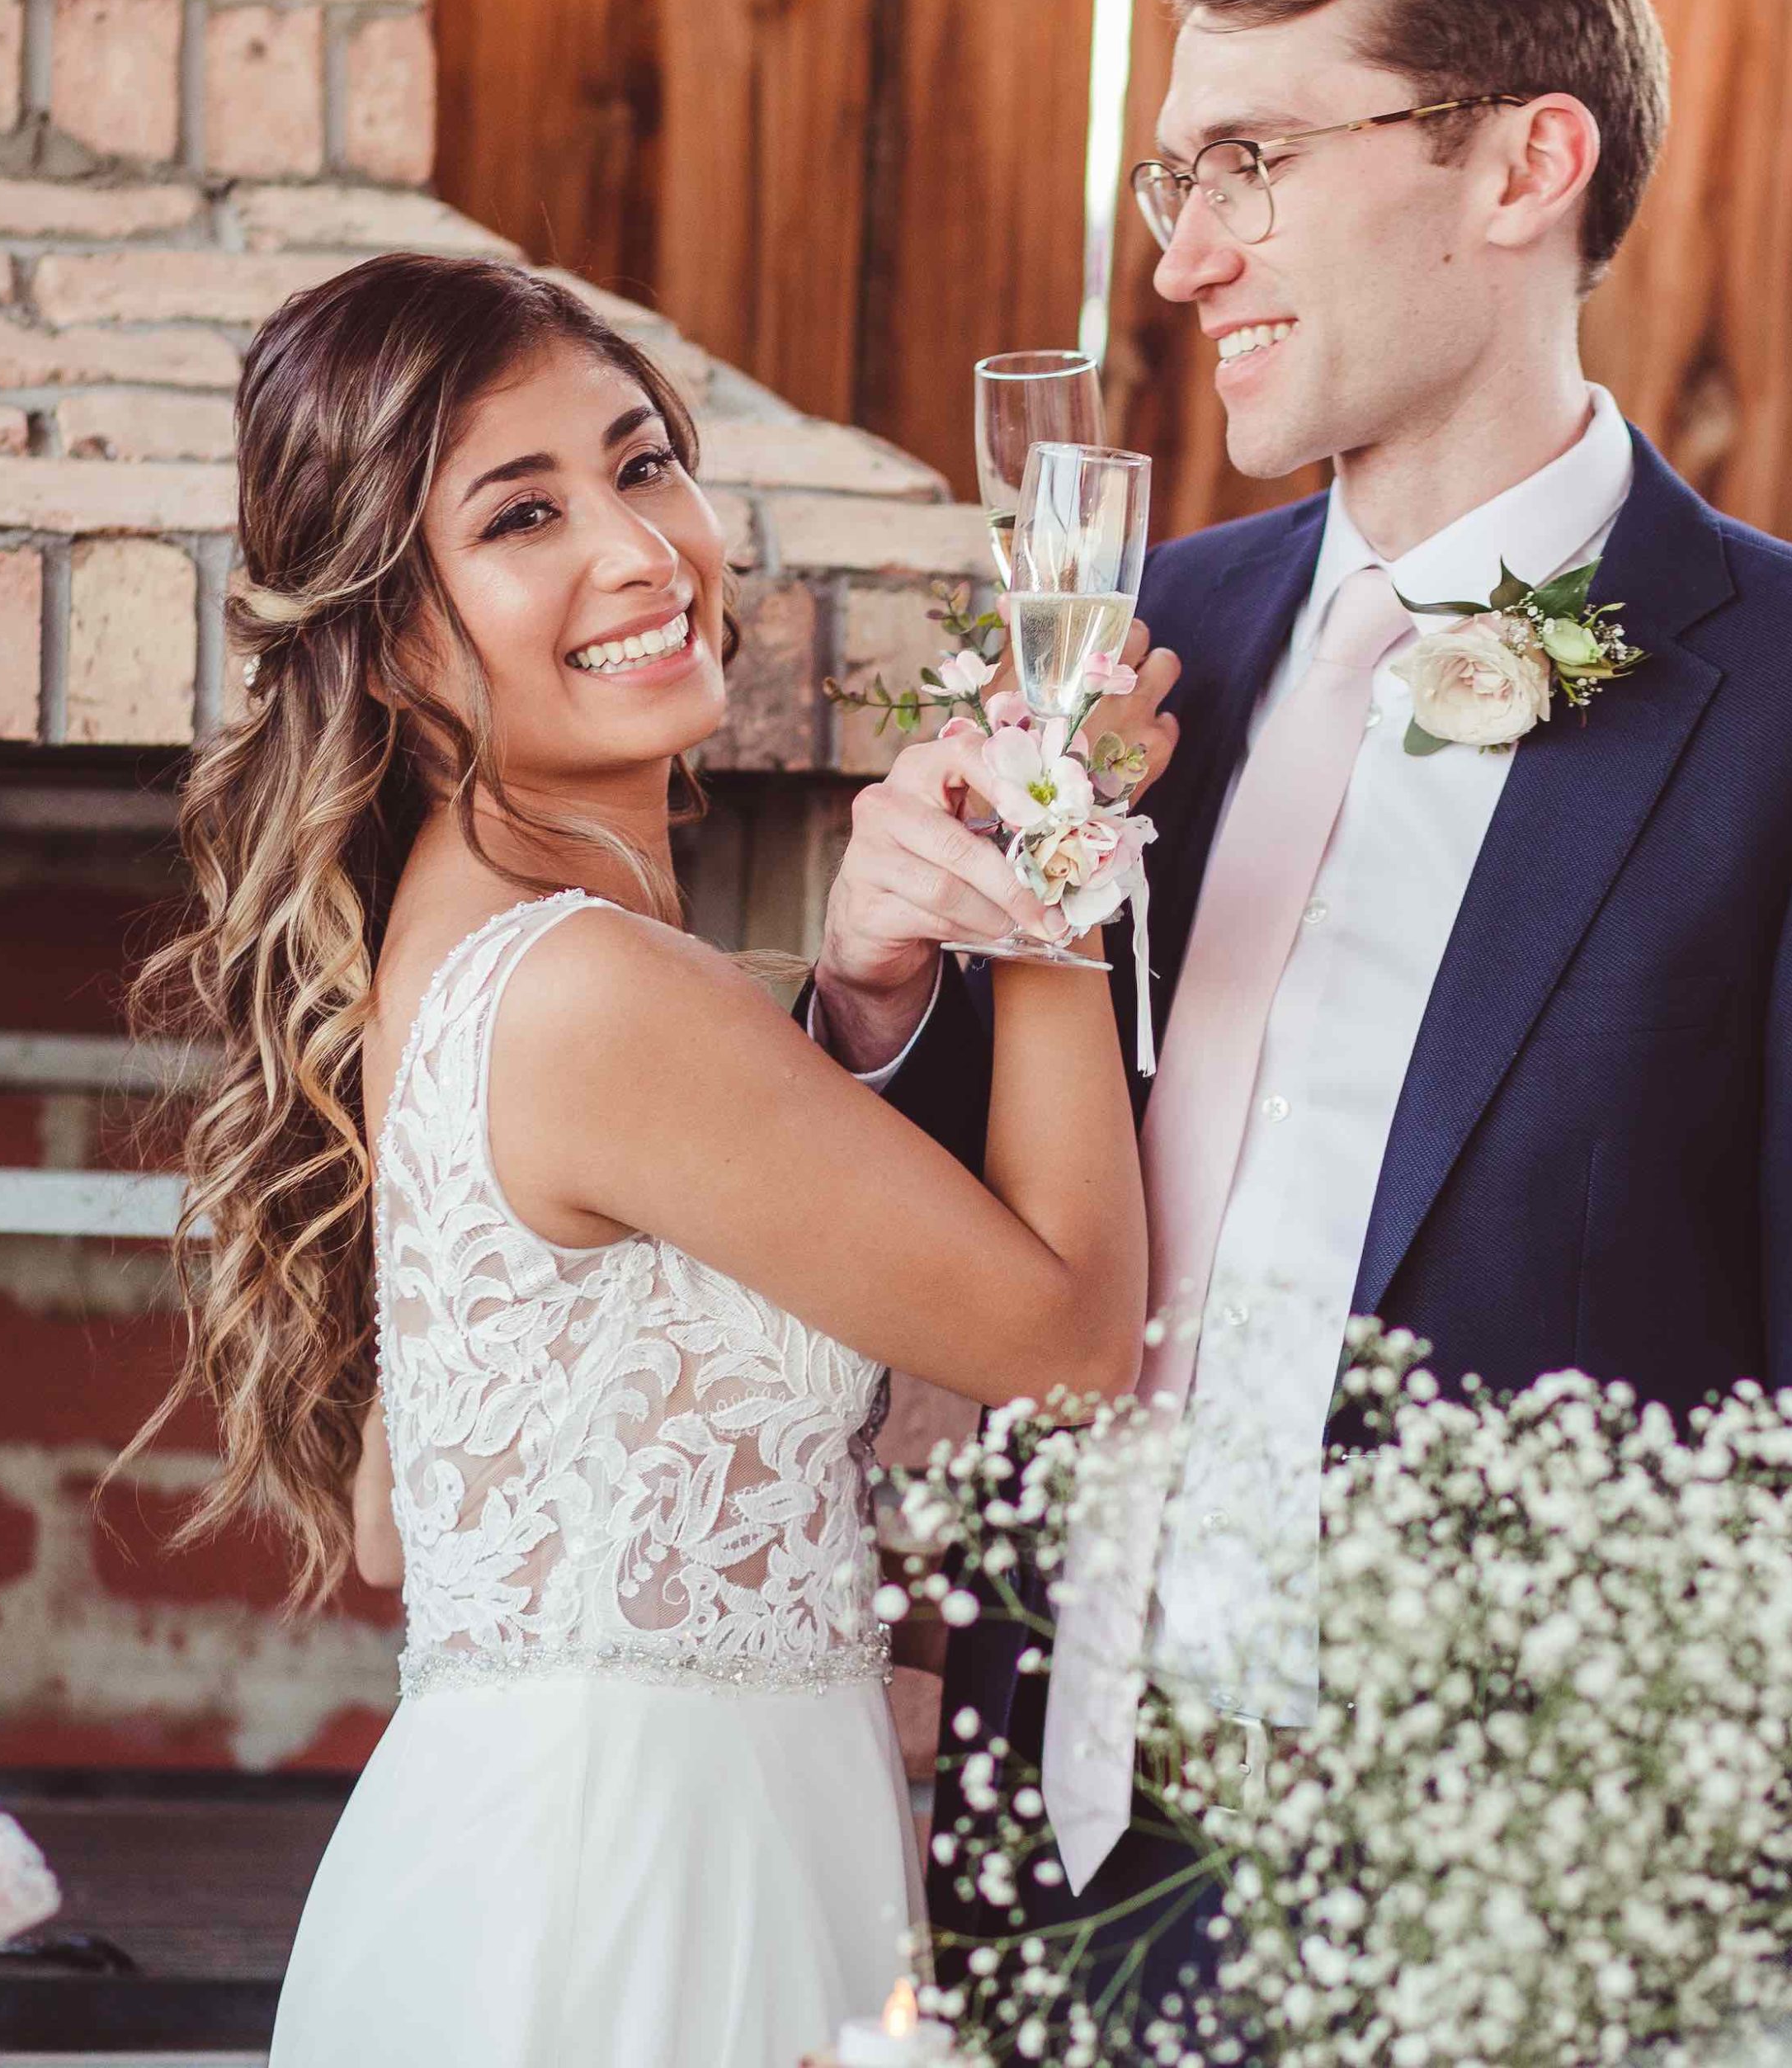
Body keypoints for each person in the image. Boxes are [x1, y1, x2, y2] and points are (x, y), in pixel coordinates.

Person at [805, 0, 1792, 2023]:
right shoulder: (1135, 648)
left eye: (1256, 167)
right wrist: (876, 990)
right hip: (1058, 1844)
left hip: (1537, 1929)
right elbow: (975, 1242)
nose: (1186, 259)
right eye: (1170, 184)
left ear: (1523, 166)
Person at [132, 254, 1148, 2068]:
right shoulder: (587, 989)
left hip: (575, 1850)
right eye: (522, 514)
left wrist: (848, 1009)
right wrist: (1054, 837)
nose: (637, 548)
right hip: (639, 1904)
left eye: (642, 463)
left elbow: (404, 1515)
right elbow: (1069, 1338)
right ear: (386, 620)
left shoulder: (459, 962)